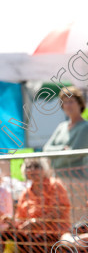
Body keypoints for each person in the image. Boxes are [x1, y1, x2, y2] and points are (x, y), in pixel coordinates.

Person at [4, 158, 71, 253]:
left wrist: (37, 222)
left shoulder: (55, 185)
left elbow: (60, 210)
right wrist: (11, 221)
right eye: (28, 167)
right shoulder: (25, 193)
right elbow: (20, 220)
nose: (32, 170)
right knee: (5, 235)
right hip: (32, 237)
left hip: (55, 233)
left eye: (36, 167)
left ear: (44, 169)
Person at [42, 86, 88, 221]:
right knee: (62, 218)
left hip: (76, 180)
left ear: (80, 103)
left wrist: (55, 157)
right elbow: (46, 149)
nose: (68, 105)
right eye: (65, 102)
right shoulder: (61, 127)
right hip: (58, 180)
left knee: (77, 219)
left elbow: (75, 153)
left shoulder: (85, 127)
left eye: (72, 101)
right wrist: (62, 150)